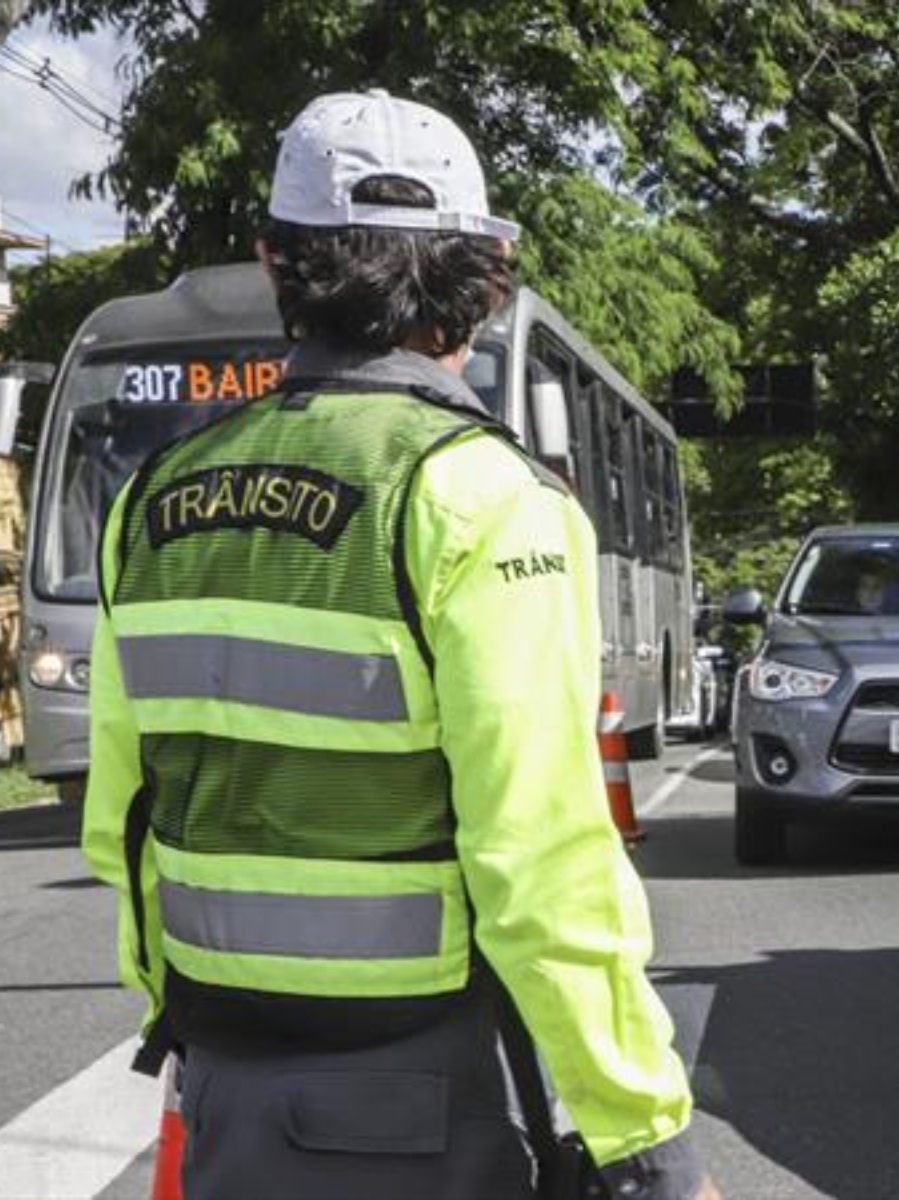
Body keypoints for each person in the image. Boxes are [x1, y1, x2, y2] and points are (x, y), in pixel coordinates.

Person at [82, 90, 718, 1200]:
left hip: (226, 1081)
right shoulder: (482, 497)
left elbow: (124, 816)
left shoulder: (154, 498)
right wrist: (648, 1142)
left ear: (277, 268)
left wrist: (179, 1024)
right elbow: (542, 859)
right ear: (484, 272)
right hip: (429, 1098)